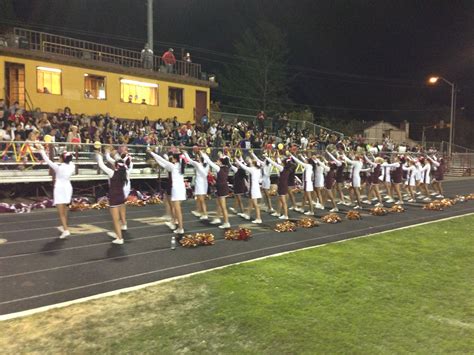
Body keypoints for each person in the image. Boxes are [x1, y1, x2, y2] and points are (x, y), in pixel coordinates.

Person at [38, 145, 75, 239]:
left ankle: (66, 230)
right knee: (65, 208)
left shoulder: (59, 168)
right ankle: (64, 226)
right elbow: (69, 160)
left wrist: (42, 151)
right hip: (68, 187)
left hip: (59, 189)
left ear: (63, 159)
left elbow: (48, 161)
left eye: (60, 157)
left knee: (61, 212)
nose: (58, 158)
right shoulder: (72, 166)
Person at [149, 149, 187, 234]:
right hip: (181, 189)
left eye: (173, 158)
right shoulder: (180, 166)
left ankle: (180, 228)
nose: (172, 159)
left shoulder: (173, 166)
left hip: (176, 189)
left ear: (175, 159)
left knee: (177, 210)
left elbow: (161, 160)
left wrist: (151, 153)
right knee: (177, 209)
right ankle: (178, 225)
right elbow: (163, 163)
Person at [96, 152, 128, 244]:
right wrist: (108, 154)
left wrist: (99, 156)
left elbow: (101, 165)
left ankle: (119, 238)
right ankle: (117, 233)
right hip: (121, 196)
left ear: (116, 166)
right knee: (117, 219)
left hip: (114, 197)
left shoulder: (112, 173)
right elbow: (120, 162)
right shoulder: (123, 173)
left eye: (114, 164)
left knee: (115, 219)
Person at [105, 147, 133, 230]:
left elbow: (109, 158)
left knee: (116, 206)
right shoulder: (129, 165)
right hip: (126, 185)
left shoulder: (119, 164)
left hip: (119, 186)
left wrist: (107, 152)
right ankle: (124, 223)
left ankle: (118, 228)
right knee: (122, 204)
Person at [201, 152, 231, 229]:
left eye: (219, 161)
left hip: (222, 188)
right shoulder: (226, 167)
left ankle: (226, 222)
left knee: (223, 206)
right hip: (223, 186)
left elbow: (209, 162)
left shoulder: (219, 168)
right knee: (218, 204)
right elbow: (227, 159)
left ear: (221, 162)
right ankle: (217, 218)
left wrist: (203, 153)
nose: (217, 161)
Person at [235, 156, 262, 223]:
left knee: (255, 204)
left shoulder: (252, 169)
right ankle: (247, 214)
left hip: (254, 188)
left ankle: (258, 218)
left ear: (253, 164)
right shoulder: (258, 170)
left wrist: (237, 160)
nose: (250, 163)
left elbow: (244, 167)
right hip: (256, 187)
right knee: (251, 202)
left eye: (251, 163)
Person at [183, 150, 209, 220]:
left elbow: (189, 160)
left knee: (201, 200)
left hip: (200, 183)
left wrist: (185, 153)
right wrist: (202, 153)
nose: (197, 158)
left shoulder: (198, 164)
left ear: (200, 159)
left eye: (198, 157)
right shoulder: (207, 164)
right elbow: (207, 159)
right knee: (199, 198)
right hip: (204, 183)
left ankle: (205, 214)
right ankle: (198, 210)